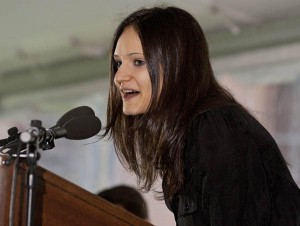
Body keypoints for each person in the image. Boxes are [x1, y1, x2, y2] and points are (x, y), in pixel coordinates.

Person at [101, 5, 300, 226]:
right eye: (118, 63)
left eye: (138, 62)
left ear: (177, 66)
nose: (119, 76)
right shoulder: (187, 137)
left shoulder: (214, 127)